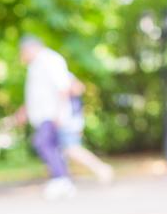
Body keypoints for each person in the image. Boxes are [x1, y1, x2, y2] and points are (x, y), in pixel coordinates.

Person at [18, 35, 76, 200]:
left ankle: (61, 180)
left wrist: (59, 112)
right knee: (51, 146)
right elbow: (36, 94)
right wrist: (24, 110)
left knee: (43, 143)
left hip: (51, 113)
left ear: (31, 48)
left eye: (23, 51)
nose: (22, 56)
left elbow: (63, 87)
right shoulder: (35, 65)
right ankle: (62, 180)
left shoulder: (50, 60)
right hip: (43, 114)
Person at [60, 75, 114, 184]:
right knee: (64, 151)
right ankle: (63, 177)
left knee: (73, 150)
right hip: (68, 122)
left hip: (69, 123)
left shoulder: (63, 76)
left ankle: (102, 169)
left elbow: (79, 87)